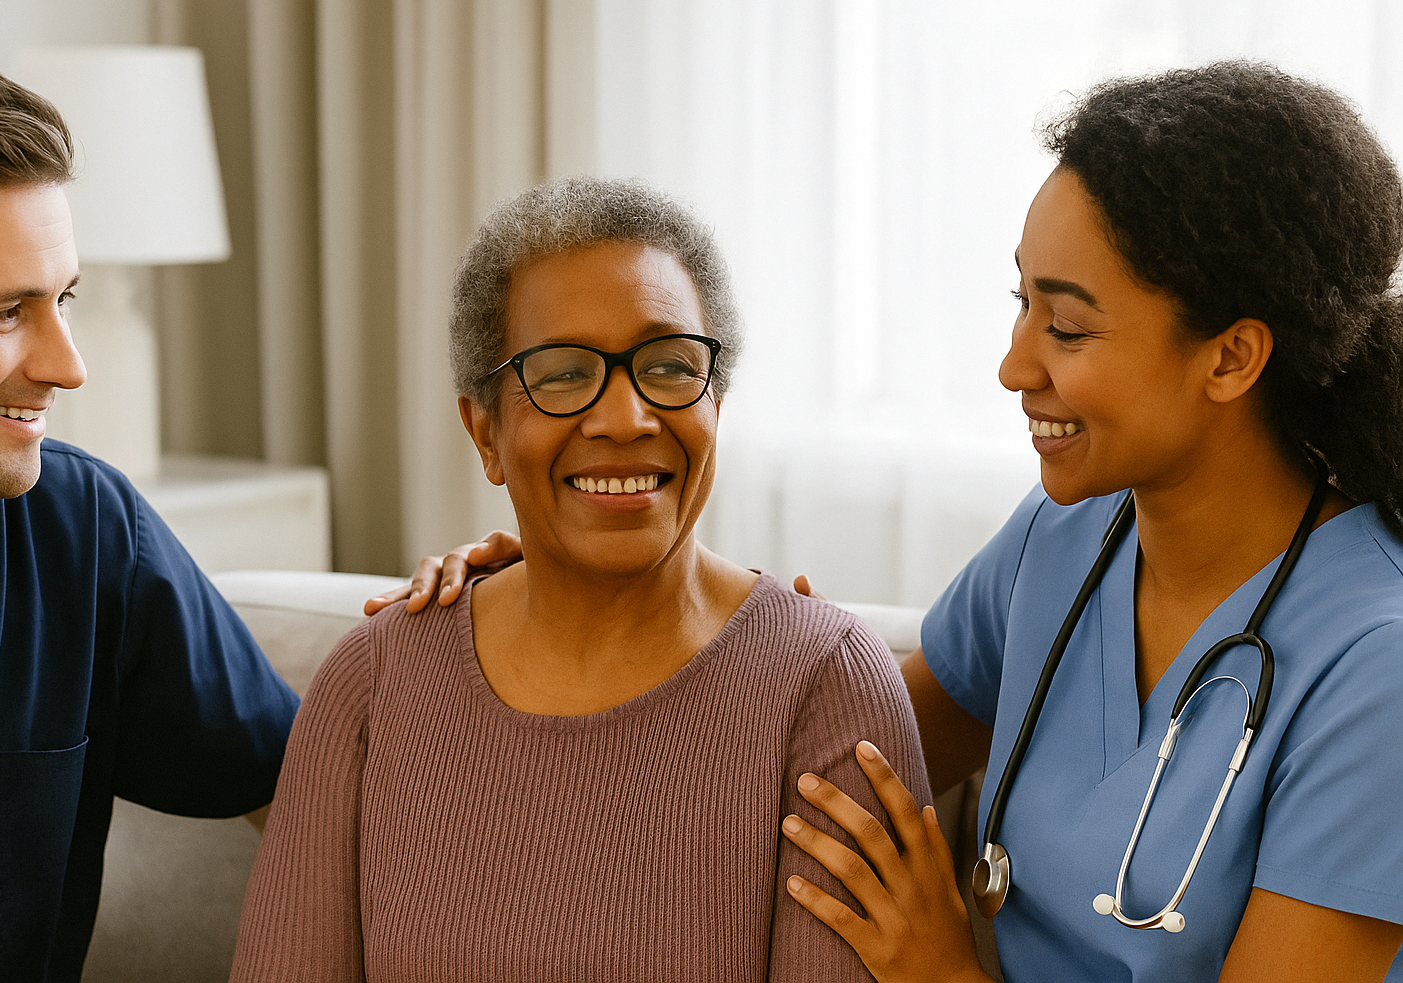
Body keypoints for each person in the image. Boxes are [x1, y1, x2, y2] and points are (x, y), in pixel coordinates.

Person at [383, 61, 1403, 981]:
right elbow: (814, 772)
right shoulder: (1063, 542)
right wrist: (568, 593)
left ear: (1232, 357)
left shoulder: (1376, 668)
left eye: (1067, 326)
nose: (1013, 365)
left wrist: (944, 973)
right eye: (1021, 303)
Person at [229, 176, 930, 981]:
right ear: (485, 433)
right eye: (562, 374)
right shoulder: (373, 681)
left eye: (668, 365)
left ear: (716, 404)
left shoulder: (827, 686)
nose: (625, 419)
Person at [0, 47, 299, 982]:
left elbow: (316, 797)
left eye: (63, 298)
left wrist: (500, 625)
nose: (67, 366)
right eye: (2, 313)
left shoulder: (82, 528)